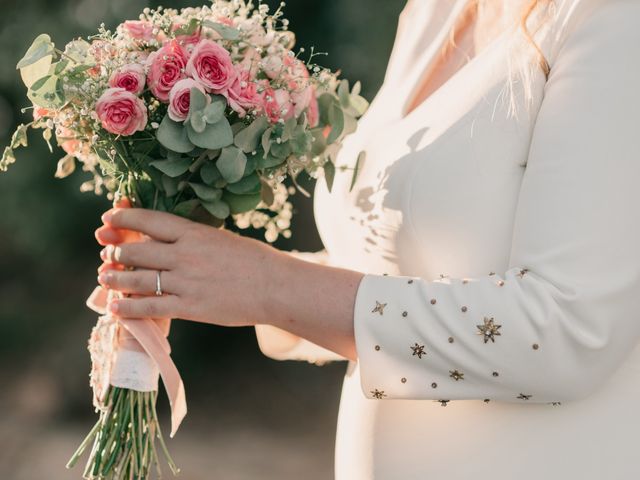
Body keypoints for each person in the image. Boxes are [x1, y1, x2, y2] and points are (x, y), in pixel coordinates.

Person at [94, 0, 640, 478]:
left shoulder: (615, 23)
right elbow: (397, 270)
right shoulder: (435, 12)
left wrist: (268, 284)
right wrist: (198, 276)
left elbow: (569, 328)